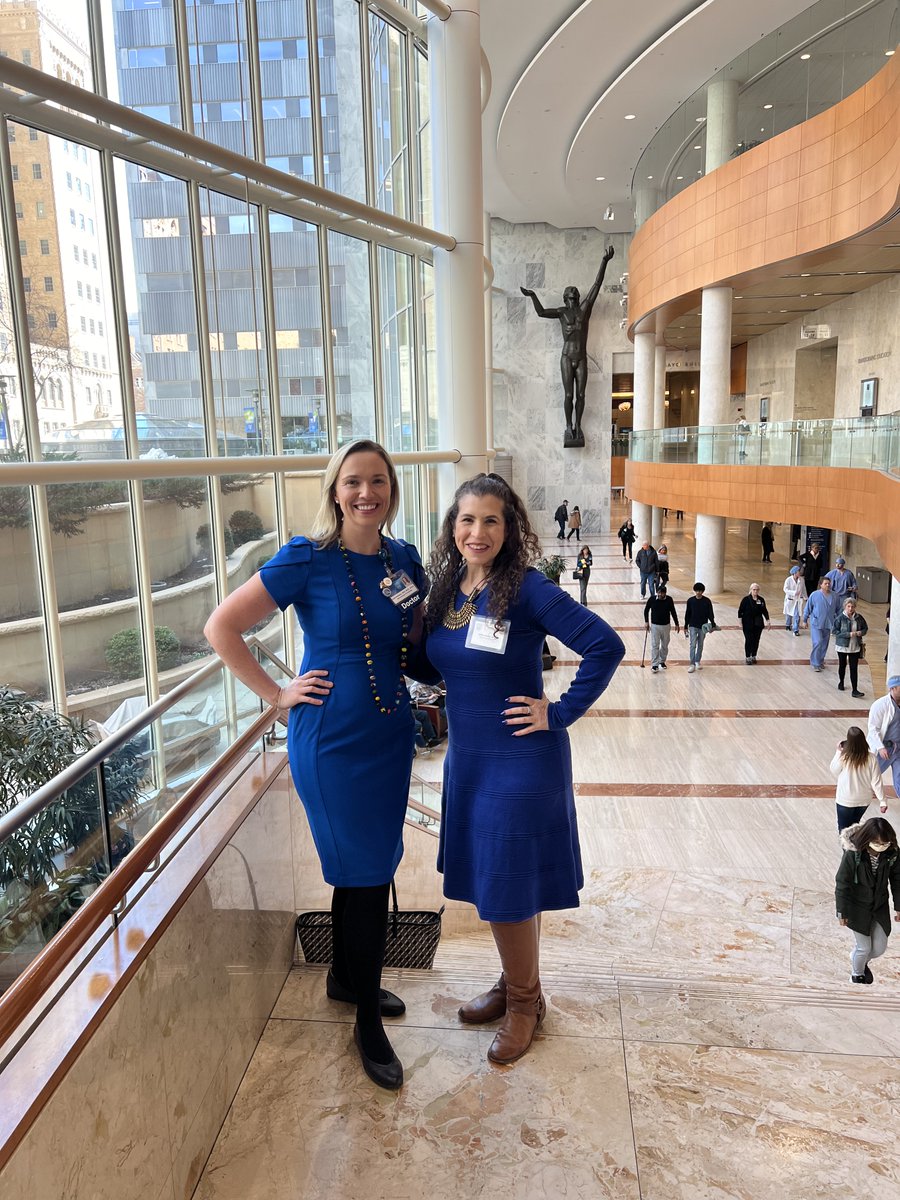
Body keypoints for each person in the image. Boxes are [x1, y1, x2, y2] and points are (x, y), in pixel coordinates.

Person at [204, 439, 436, 1092]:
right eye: (354, 482)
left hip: (390, 738)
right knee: (359, 873)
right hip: (331, 744)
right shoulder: (306, 559)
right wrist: (276, 695)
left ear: (392, 490)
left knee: (371, 867)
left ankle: (344, 978)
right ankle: (366, 1014)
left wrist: (482, 647)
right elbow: (222, 627)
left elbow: (416, 652)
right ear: (335, 491)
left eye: (379, 482)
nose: (367, 493)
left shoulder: (403, 560)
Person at [425, 473, 624, 1065]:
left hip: (520, 759)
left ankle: (524, 1002)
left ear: (509, 529)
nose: (477, 531)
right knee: (497, 878)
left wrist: (558, 712)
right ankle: (517, 983)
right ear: (452, 528)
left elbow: (605, 646)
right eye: (467, 520)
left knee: (507, 882)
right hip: (470, 758)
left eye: (490, 520)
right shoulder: (447, 590)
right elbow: (441, 663)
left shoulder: (528, 589)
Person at [521, 247, 614, 445]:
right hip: (566, 357)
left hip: (580, 357)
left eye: (575, 294)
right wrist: (532, 295)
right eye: (570, 293)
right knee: (569, 394)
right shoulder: (562, 312)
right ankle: (567, 426)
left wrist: (604, 261)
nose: (573, 294)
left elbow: (597, 285)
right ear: (565, 297)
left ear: (578, 297)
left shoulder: (584, 310)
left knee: (580, 394)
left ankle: (578, 425)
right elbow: (541, 312)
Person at [835, 817, 900, 984]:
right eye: (878, 843)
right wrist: (842, 911)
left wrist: (898, 906)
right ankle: (857, 975)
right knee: (864, 948)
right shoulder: (853, 855)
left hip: (879, 906)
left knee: (878, 948)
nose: (881, 847)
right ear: (867, 839)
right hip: (857, 907)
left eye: (885, 843)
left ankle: (858, 958)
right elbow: (842, 883)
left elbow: (897, 879)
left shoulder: (891, 854)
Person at [830, 726, 886, 832]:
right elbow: (876, 781)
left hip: (845, 800)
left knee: (843, 831)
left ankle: (848, 848)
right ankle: (856, 846)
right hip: (864, 800)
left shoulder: (844, 757)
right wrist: (882, 801)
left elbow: (834, 770)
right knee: (855, 827)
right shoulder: (872, 758)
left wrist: (838, 751)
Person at [868, 676, 900, 803]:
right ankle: (861, 795)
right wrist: (880, 747)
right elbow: (873, 729)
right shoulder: (880, 705)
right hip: (884, 749)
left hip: (898, 749)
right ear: (893, 688)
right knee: (871, 775)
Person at [832, 597, 868, 697]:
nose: (850, 608)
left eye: (852, 606)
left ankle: (855, 690)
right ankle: (841, 682)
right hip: (842, 647)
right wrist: (848, 634)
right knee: (842, 666)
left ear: (855, 607)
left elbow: (865, 628)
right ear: (845, 607)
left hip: (855, 647)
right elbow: (835, 631)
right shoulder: (840, 618)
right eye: (848, 606)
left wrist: (861, 632)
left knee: (854, 668)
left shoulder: (859, 618)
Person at [803, 576, 840, 672]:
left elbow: (838, 610)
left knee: (824, 644)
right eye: (825, 583)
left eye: (829, 583)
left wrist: (839, 622)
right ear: (821, 585)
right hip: (816, 622)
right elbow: (808, 607)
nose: (828, 585)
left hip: (828, 623)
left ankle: (820, 661)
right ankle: (815, 662)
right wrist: (804, 620)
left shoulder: (835, 596)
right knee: (818, 642)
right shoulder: (814, 595)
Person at [644, 584, 680, 672]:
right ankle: (655, 664)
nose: (660, 594)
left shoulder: (669, 600)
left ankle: (662, 661)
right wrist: (646, 622)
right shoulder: (652, 599)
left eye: (662, 593)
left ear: (665, 593)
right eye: (659, 593)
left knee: (664, 645)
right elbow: (646, 610)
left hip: (666, 626)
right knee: (655, 645)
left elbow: (673, 611)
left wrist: (677, 623)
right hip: (655, 626)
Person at [684, 581, 716, 673]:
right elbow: (688, 613)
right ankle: (692, 663)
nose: (698, 592)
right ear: (695, 591)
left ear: (702, 591)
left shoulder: (707, 601)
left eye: (700, 591)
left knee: (700, 644)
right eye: (697, 590)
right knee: (693, 644)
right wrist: (686, 625)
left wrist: (713, 623)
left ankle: (697, 661)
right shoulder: (690, 601)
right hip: (693, 625)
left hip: (703, 626)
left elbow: (710, 613)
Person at [737, 583, 770, 664]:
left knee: (756, 640)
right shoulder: (745, 600)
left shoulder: (761, 600)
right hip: (747, 623)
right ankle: (748, 656)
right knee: (749, 640)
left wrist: (768, 620)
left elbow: (764, 610)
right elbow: (740, 611)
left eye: (757, 590)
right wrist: (740, 622)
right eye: (754, 589)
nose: (755, 591)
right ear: (751, 590)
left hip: (758, 624)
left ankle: (754, 655)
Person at [782, 565, 807, 635]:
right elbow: (785, 589)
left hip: (798, 600)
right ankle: (788, 624)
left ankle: (796, 630)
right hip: (790, 599)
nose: (800, 572)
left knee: (797, 615)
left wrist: (806, 597)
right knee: (788, 614)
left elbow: (803, 589)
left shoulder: (801, 580)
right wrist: (794, 593)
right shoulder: (788, 580)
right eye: (799, 571)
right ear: (795, 572)